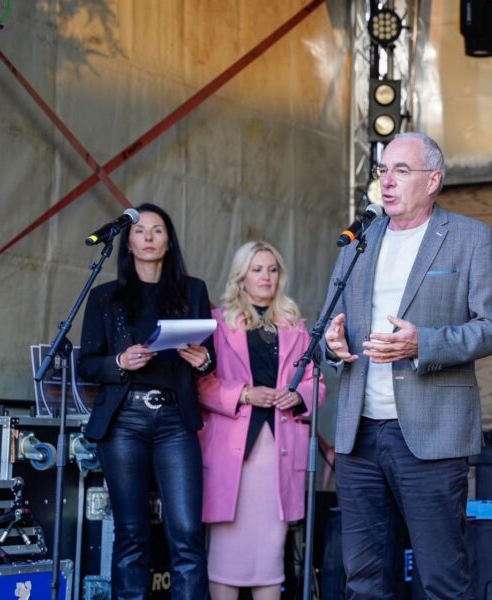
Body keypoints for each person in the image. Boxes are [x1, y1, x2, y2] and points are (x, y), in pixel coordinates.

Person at [322, 132, 492, 599]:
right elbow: (327, 323)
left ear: (433, 181)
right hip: (358, 433)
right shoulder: (358, 240)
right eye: (382, 171)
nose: (387, 181)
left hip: (431, 433)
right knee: (363, 579)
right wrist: (331, 343)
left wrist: (421, 343)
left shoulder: (470, 238)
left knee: (441, 578)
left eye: (401, 171)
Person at [78, 203, 212, 600]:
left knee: (186, 532)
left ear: (169, 241)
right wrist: (120, 361)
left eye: (157, 230)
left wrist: (203, 360)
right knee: (131, 533)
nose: (149, 237)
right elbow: (87, 364)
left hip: (175, 420)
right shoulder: (105, 297)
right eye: (140, 231)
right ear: (128, 243)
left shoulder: (193, 290)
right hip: (124, 420)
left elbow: (211, 358)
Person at [197, 241, 324, 600]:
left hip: (278, 450)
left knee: (270, 557)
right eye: (257, 269)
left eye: (272, 269)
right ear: (241, 278)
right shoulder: (218, 323)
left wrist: (298, 395)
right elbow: (199, 384)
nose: (266, 277)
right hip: (231, 452)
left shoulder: (296, 325)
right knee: (225, 557)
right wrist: (244, 394)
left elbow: (316, 382)